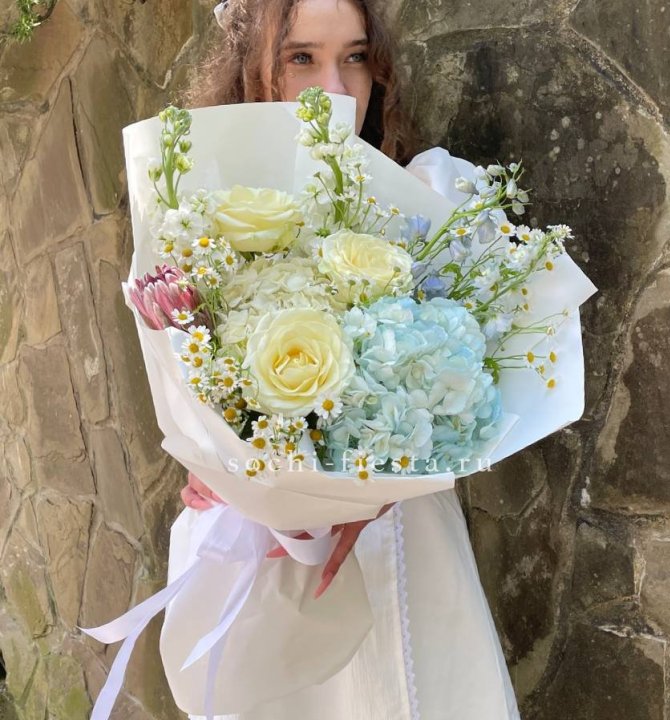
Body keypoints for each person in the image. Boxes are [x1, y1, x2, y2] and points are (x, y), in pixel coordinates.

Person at [176, 1, 522, 718]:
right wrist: (216, 463)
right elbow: (190, 375)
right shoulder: (202, 215)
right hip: (259, 552)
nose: (335, 90)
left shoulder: (430, 195)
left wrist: (368, 492)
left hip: (403, 541)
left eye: (355, 57)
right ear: (252, 69)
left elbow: (486, 383)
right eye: (301, 57)